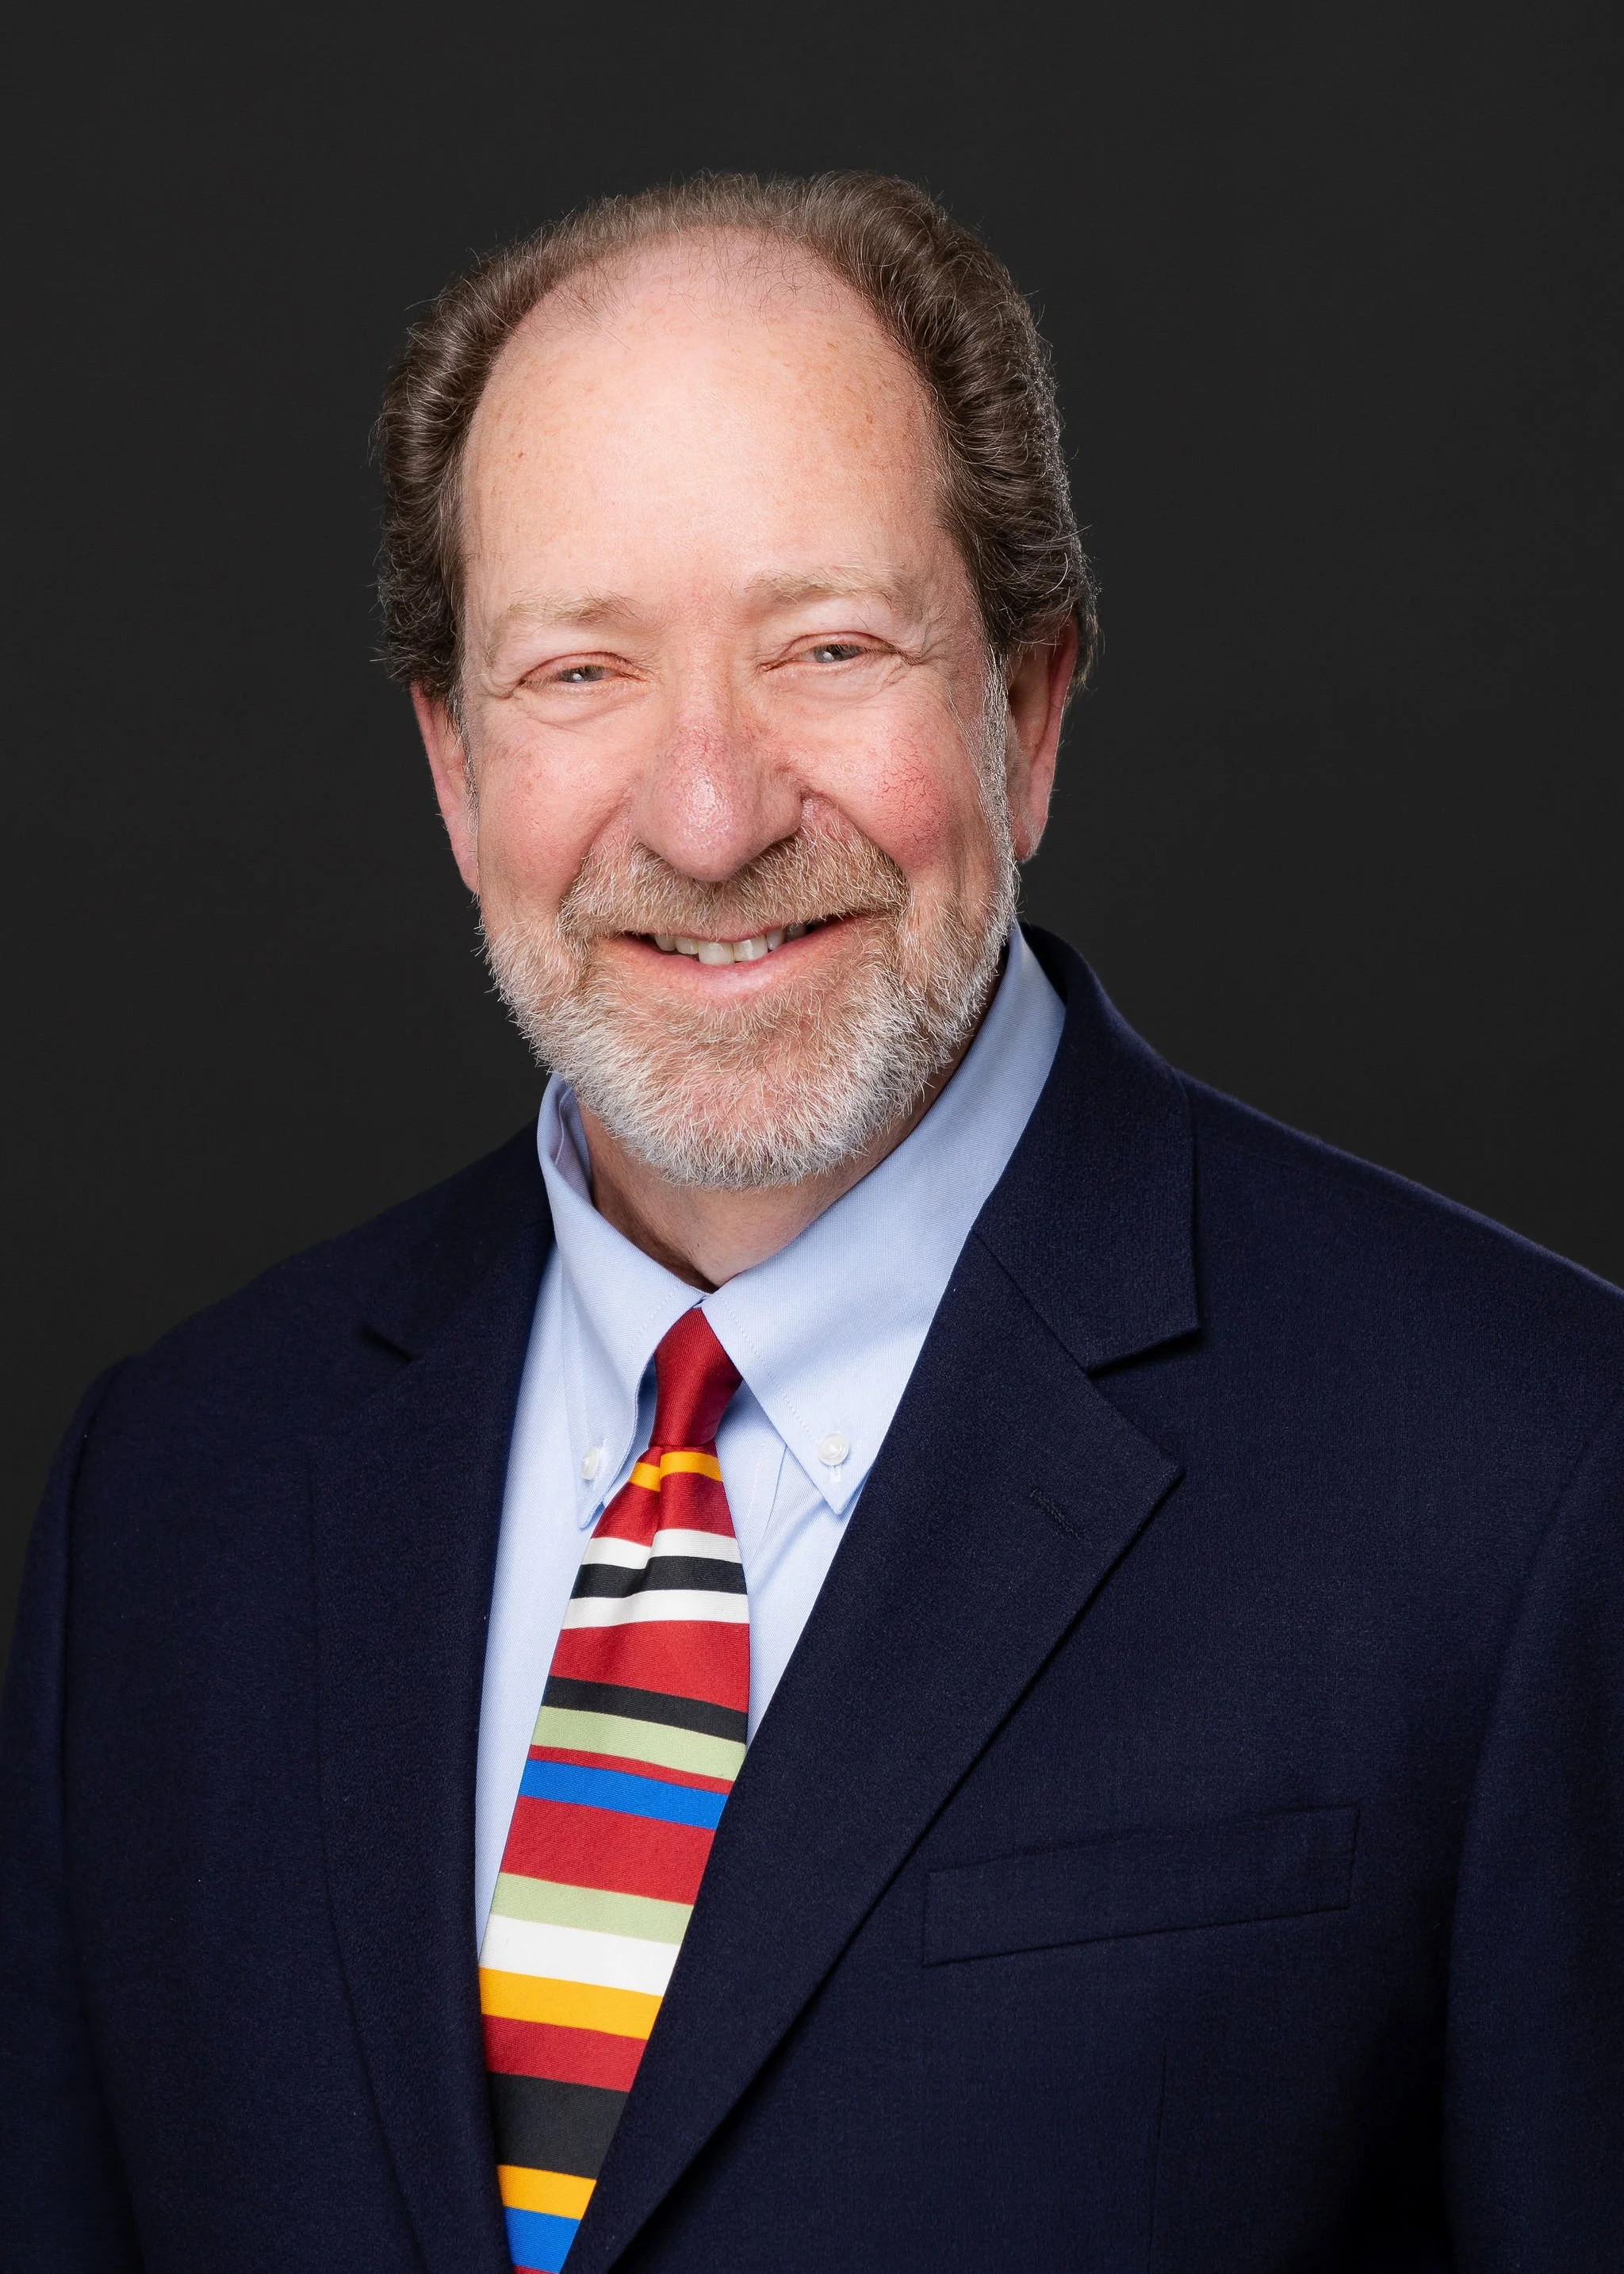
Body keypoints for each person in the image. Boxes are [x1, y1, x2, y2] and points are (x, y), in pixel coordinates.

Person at [1, 171, 1620, 2274]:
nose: (709, 812)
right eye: (578, 672)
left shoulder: (1535, 1483)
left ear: (1027, 710)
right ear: (453, 766)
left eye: (829, 648)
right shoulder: (168, 1506)